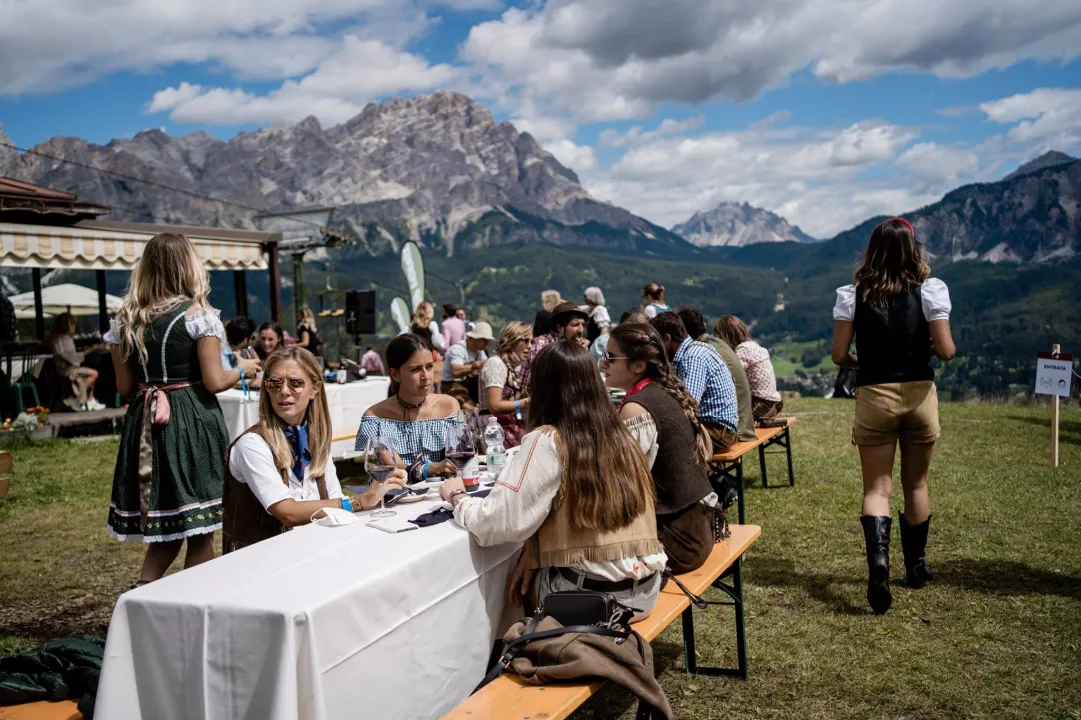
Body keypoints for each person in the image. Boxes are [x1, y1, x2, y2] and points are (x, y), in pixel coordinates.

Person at [441, 341, 666, 620]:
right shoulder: (621, 435)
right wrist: (532, 550)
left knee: (506, 590)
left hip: (591, 599)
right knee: (525, 569)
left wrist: (458, 499)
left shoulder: (549, 440)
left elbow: (497, 524)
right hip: (645, 593)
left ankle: (503, 655)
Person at [104, 232, 261, 585]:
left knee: (170, 526)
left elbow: (125, 388)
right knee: (200, 526)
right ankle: (191, 605)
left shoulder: (125, 321)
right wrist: (243, 370)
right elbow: (214, 381)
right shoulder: (197, 316)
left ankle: (141, 598)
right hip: (190, 420)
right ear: (188, 266)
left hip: (144, 422)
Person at [831, 217, 955, 615]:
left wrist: (862, 361)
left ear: (873, 250)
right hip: (919, 394)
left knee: (877, 489)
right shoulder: (930, 291)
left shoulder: (853, 294)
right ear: (913, 250)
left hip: (873, 395)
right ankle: (916, 568)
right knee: (916, 483)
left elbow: (838, 356)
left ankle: (878, 565)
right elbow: (947, 350)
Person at [223, 347, 403, 552]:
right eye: (274, 383)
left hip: (308, 549)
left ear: (315, 389)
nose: (283, 391)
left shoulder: (314, 439)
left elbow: (333, 499)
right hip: (259, 561)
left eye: (295, 382)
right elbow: (287, 512)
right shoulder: (252, 444)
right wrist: (360, 502)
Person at [604, 324, 720, 573]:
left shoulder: (637, 408)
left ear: (638, 365)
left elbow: (624, 484)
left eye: (611, 358)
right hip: (699, 526)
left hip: (678, 540)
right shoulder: (661, 392)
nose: (604, 364)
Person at [355, 334, 462, 483]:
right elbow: (393, 467)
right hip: (397, 497)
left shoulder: (449, 406)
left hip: (442, 495)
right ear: (395, 374)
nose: (426, 376)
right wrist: (432, 469)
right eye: (415, 369)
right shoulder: (376, 417)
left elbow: (460, 455)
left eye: (429, 366)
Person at [649, 312, 739, 453]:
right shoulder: (694, 350)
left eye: (656, 343)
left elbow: (688, 404)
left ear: (667, 339)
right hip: (718, 428)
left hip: (718, 431)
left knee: (657, 444)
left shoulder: (693, 357)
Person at [677, 307, 756, 443]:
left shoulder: (698, 351)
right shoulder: (717, 344)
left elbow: (691, 399)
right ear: (704, 326)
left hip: (736, 428)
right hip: (744, 422)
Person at [716, 315, 783, 419]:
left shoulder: (743, 351)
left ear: (727, 336)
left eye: (720, 337)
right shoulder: (752, 346)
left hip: (761, 405)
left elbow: (728, 373)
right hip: (773, 402)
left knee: (728, 418)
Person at [479, 321, 532, 447]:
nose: (529, 346)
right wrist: (528, 402)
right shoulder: (495, 364)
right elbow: (495, 406)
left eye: (531, 342)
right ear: (511, 341)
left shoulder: (508, 366)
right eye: (525, 340)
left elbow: (511, 402)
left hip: (502, 426)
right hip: (492, 429)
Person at [521, 301, 589, 392]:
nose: (581, 330)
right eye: (575, 325)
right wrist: (578, 357)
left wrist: (582, 354)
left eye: (583, 325)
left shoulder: (573, 345)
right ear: (560, 328)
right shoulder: (542, 346)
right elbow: (544, 383)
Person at [46, 312, 104, 411]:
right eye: (73, 324)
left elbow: (67, 354)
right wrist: (89, 351)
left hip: (59, 369)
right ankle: (75, 398)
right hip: (67, 370)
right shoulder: (64, 338)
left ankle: (90, 400)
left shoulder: (55, 338)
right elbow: (71, 357)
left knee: (88, 373)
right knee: (94, 373)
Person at [441, 322, 494, 409]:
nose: (486, 344)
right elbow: (456, 371)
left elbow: (486, 364)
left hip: (466, 384)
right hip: (451, 386)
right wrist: (476, 365)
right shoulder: (458, 349)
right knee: (471, 408)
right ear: (477, 338)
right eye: (485, 341)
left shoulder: (479, 351)